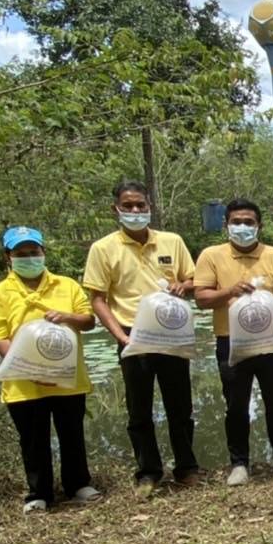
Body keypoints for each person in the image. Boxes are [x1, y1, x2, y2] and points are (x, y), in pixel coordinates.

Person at [83, 179, 199, 493]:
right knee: (139, 409)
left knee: (180, 405)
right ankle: (148, 471)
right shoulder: (103, 249)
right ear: (116, 209)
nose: (135, 211)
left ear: (150, 206)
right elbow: (97, 298)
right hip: (132, 333)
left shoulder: (171, 241)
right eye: (128, 206)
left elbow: (191, 278)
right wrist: (121, 337)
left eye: (141, 205)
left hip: (172, 331)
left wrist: (183, 286)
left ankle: (187, 467)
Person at [0, 226, 100, 511]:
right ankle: (39, 493)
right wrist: (27, 365)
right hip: (24, 380)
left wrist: (67, 316)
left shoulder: (67, 285)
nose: (29, 258)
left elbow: (88, 320)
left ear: (43, 252)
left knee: (71, 431)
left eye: (34, 252)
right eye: (20, 254)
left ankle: (78, 484)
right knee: (33, 438)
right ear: (8, 257)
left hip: (67, 376)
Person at [192, 198, 273, 486]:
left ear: (259, 226)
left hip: (272, 343)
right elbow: (201, 297)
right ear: (226, 224)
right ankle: (239, 464)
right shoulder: (211, 256)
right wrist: (229, 291)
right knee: (236, 405)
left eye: (249, 222)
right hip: (231, 343)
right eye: (236, 222)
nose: (242, 227)